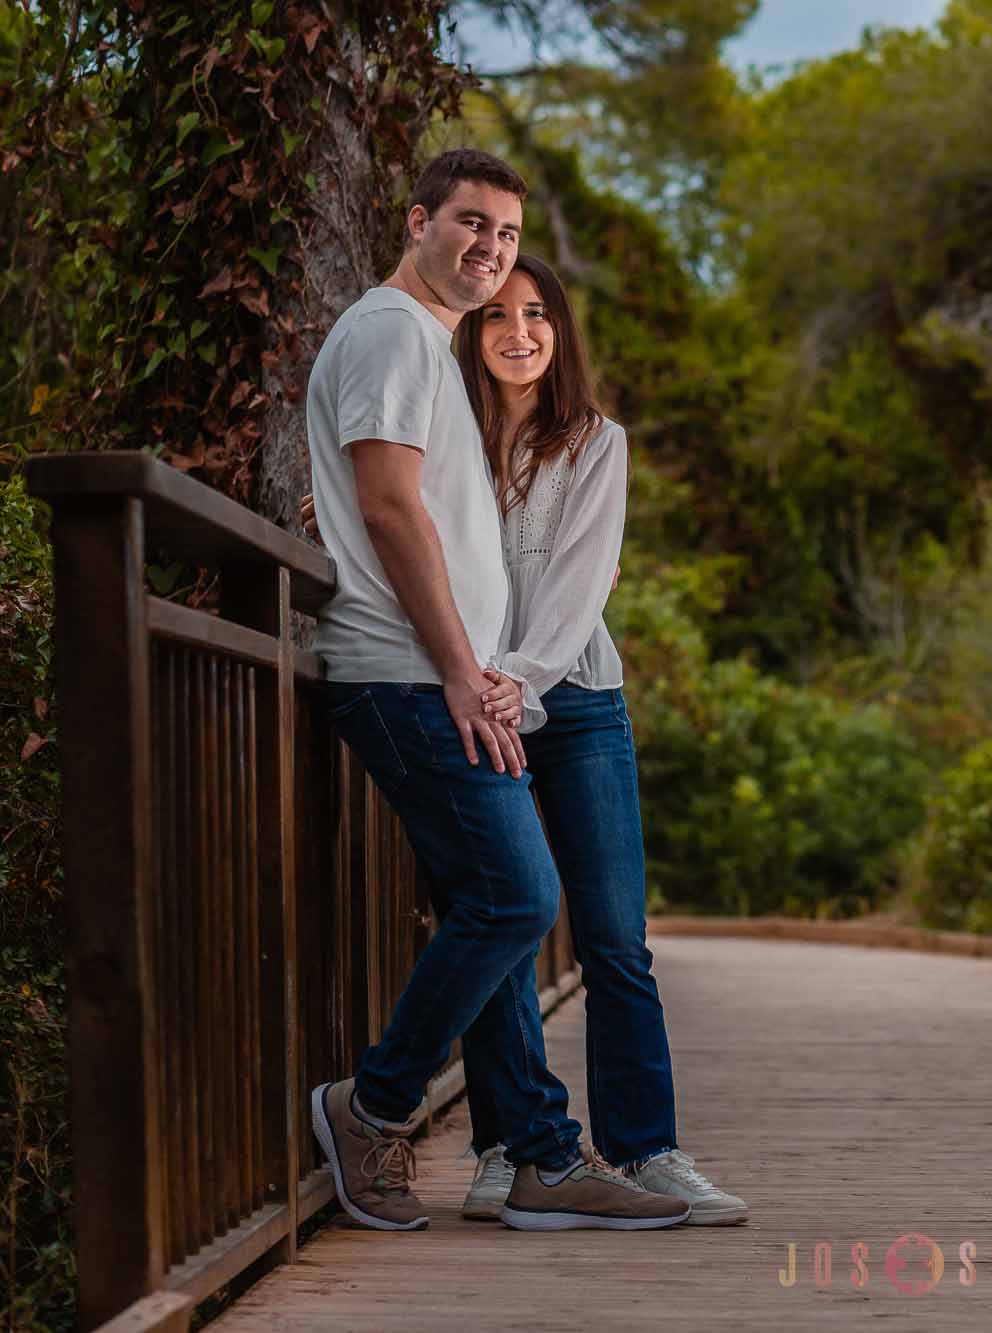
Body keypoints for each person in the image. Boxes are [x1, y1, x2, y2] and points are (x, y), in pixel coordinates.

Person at [303, 148, 687, 1234]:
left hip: (443, 675)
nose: (489, 248)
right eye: (471, 224)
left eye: (508, 234)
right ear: (418, 218)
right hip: (406, 670)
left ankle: (537, 1154)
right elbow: (388, 509)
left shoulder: (428, 343)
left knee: (506, 905)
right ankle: (372, 1104)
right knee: (516, 897)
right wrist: (467, 671)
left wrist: (476, 670)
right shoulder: (389, 329)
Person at [452, 253, 749, 1225]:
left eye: (537, 314)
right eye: (498, 314)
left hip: (573, 705)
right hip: (471, 707)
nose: (519, 331)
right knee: (500, 925)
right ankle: (505, 1146)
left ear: (560, 329)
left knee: (617, 937)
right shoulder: (442, 441)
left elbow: (582, 588)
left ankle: (646, 1148)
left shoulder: (594, 442)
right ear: (471, 328)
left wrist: (518, 680)